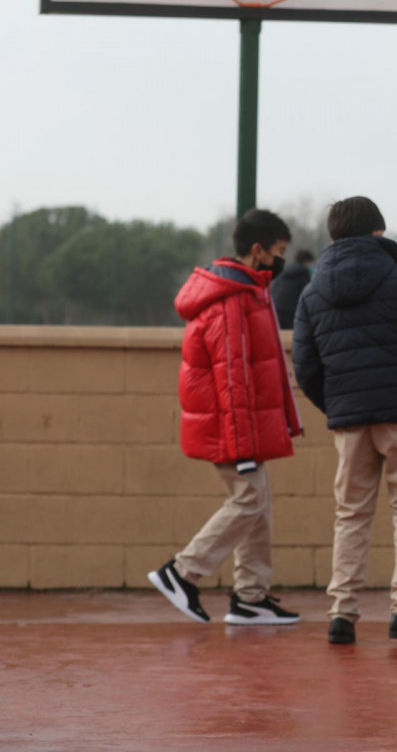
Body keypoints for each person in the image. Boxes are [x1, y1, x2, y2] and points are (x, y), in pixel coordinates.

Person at [293, 197, 397, 646]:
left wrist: (337, 405)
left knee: (351, 514)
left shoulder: (312, 290)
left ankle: (342, 613)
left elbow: (304, 364)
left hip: (349, 419)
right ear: (377, 233)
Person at [148, 209, 303, 626]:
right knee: (249, 500)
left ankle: (251, 598)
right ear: (258, 250)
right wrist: (244, 446)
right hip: (233, 429)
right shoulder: (231, 299)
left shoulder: (247, 291)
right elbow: (232, 378)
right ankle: (182, 572)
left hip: (241, 426)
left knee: (258, 504)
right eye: (278, 252)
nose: (280, 261)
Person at [271, 249, 315, 328]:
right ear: (306, 261)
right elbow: (308, 294)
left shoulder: (285, 271)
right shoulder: (303, 273)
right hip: (291, 311)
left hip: (276, 309)